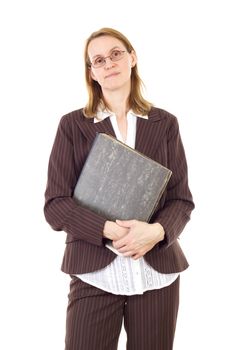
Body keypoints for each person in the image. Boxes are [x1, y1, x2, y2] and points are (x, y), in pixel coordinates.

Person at [44, 27, 194, 350]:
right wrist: (110, 229)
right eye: (99, 60)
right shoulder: (72, 126)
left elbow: (182, 200)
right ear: (92, 73)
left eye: (115, 54)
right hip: (93, 271)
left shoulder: (165, 124)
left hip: (157, 274)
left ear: (132, 58)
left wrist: (155, 232)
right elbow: (56, 205)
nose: (109, 63)